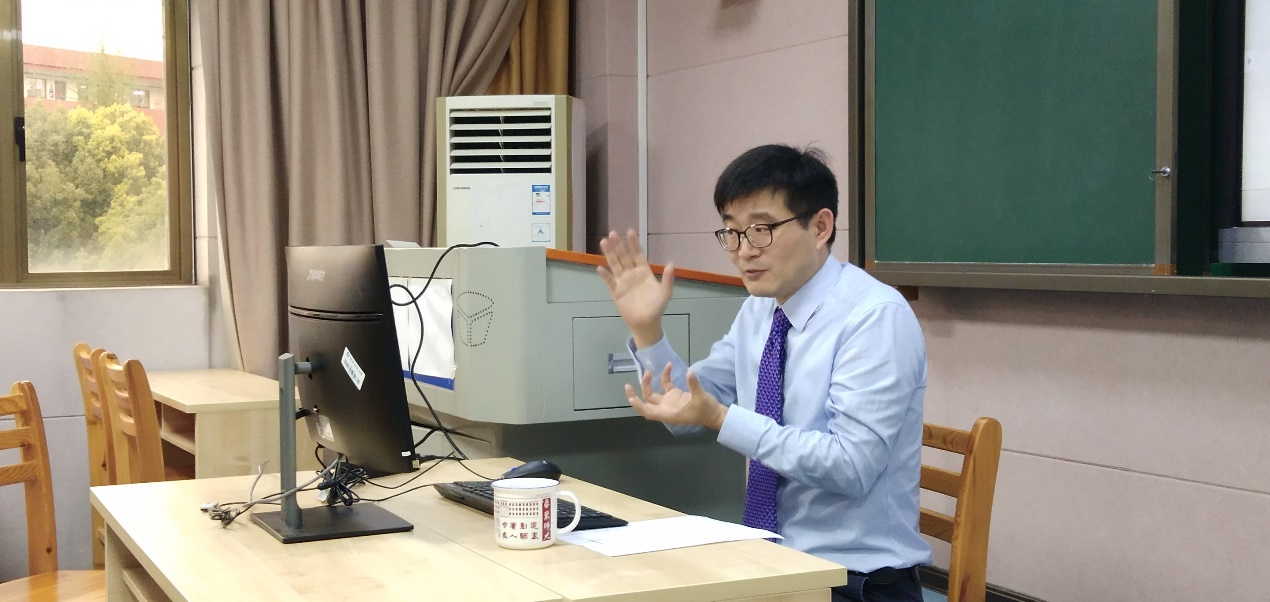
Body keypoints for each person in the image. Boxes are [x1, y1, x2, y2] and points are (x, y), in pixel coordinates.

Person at [597, 144, 931, 602]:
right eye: (732, 233)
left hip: (854, 581)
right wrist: (647, 330)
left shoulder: (874, 317)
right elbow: (686, 410)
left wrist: (722, 419)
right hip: (769, 564)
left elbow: (851, 466)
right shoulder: (759, 311)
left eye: (761, 230)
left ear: (820, 227)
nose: (743, 252)